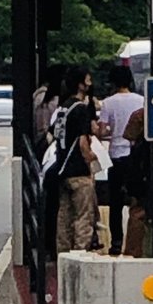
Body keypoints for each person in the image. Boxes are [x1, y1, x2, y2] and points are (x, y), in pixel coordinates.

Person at [54, 67, 101, 253]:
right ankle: (81, 254)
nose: (90, 84)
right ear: (81, 84)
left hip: (62, 167)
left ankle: (63, 254)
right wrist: (92, 156)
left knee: (64, 215)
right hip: (79, 170)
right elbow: (83, 141)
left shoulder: (63, 107)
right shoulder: (80, 109)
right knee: (84, 215)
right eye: (88, 80)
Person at [98, 66, 142, 255]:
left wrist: (109, 132)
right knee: (137, 199)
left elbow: (102, 131)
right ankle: (135, 242)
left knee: (115, 202)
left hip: (116, 154)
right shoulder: (141, 100)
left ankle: (116, 242)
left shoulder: (108, 103)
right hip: (136, 155)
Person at [118, 108, 149, 259]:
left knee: (137, 214)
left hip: (140, 180)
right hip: (144, 178)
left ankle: (132, 252)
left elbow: (128, 135)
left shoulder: (139, 147)